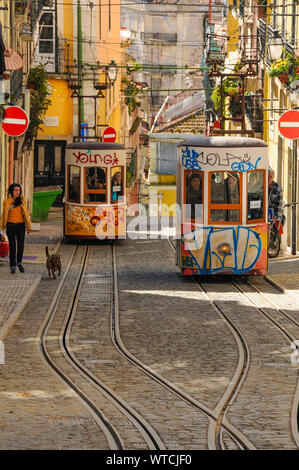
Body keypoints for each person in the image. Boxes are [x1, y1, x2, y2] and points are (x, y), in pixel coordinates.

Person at [0, 183, 31, 273]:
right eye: (15, 190)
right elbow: (3, 215)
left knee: (21, 245)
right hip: (10, 226)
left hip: (21, 226)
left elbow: (26, 213)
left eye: (18, 190)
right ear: (11, 191)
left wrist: (28, 226)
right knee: (12, 246)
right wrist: (1, 228)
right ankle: (12, 266)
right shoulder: (6, 201)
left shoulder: (22, 200)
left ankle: (19, 262)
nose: (17, 192)